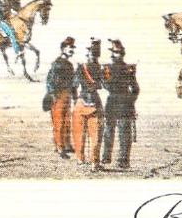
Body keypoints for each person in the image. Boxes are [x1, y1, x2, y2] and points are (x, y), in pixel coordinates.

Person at [101, 39, 139, 170]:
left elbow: (135, 88)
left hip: (124, 103)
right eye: (112, 52)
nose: (113, 55)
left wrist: (130, 101)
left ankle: (124, 160)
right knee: (108, 132)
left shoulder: (128, 69)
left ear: (122, 54)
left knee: (124, 134)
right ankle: (106, 157)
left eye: (116, 52)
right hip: (113, 102)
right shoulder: (108, 68)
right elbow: (104, 84)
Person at [73, 39, 105, 171]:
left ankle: (80, 159)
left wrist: (76, 99)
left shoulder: (81, 67)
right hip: (95, 103)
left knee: (79, 133)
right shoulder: (101, 68)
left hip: (81, 102)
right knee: (96, 135)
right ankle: (95, 163)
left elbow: (74, 86)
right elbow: (103, 85)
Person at [44, 37, 76, 159]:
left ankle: (66, 145)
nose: (72, 50)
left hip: (66, 95)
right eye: (70, 48)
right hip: (58, 96)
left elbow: (72, 82)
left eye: (73, 48)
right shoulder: (57, 64)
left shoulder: (69, 64)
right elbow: (50, 81)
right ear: (63, 49)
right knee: (59, 122)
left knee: (67, 121)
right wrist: (52, 94)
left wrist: (74, 94)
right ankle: (60, 147)